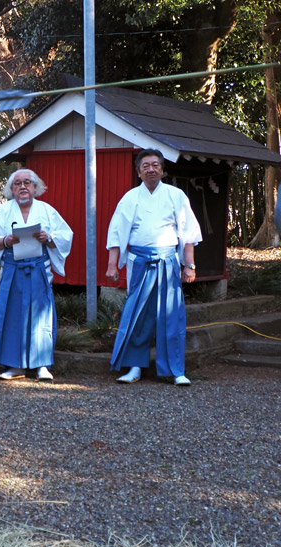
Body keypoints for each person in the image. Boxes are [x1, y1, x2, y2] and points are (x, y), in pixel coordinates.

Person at [106, 148, 202, 386]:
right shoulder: (130, 198)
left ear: (162, 169)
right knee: (137, 315)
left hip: (168, 261)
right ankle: (135, 366)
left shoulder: (176, 195)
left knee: (171, 316)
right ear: (138, 172)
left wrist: (188, 265)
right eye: (146, 165)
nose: (151, 169)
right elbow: (116, 234)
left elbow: (188, 234)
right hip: (139, 262)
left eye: (155, 165)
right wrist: (112, 265)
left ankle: (175, 369)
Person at [0, 169, 73, 382]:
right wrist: (5, 241)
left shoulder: (47, 211)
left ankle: (42, 365)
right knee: (12, 315)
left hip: (39, 269)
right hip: (12, 269)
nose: (23, 186)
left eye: (27, 182)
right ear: (11, 189)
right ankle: (14, 365)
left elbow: (65, 236)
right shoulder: (2, 212)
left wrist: (48, 238)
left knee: (41, 316)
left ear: (35, 187)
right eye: (18, 183)